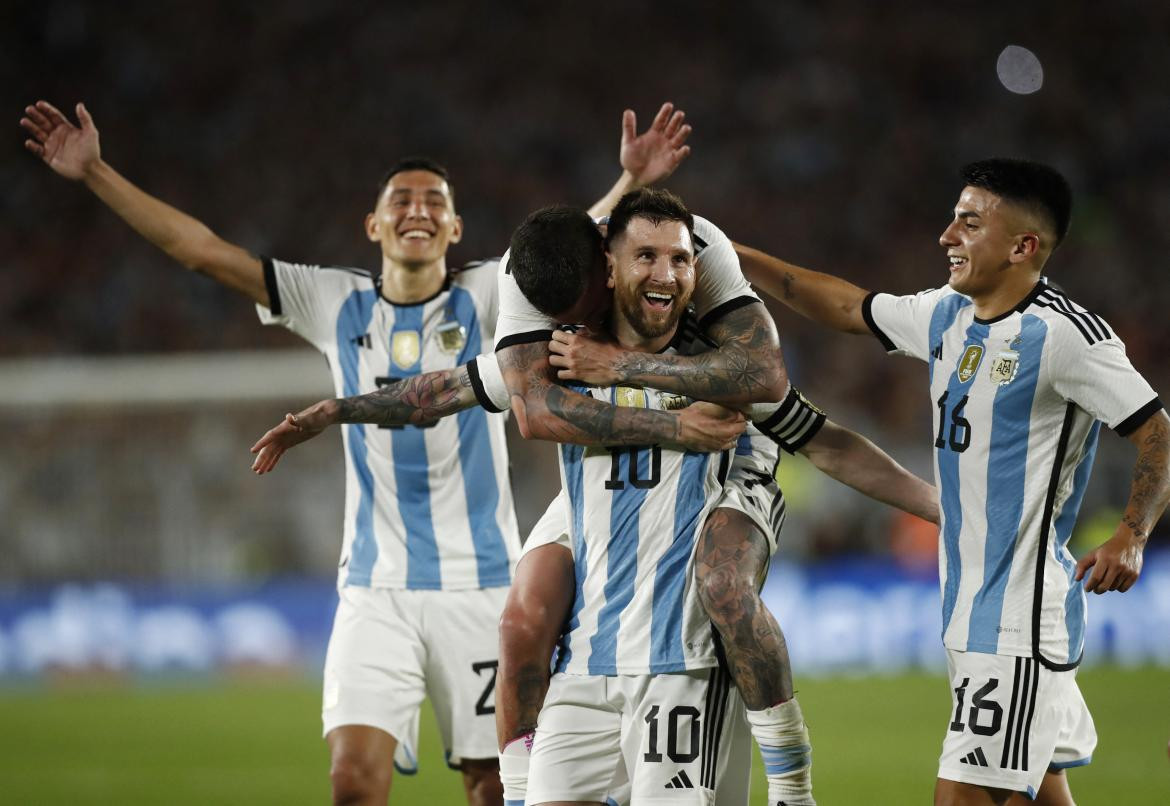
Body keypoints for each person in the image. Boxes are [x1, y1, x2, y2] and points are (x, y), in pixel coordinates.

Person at [20, 97, 695, 806]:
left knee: (493, 788)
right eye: (400, 199)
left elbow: (562, 248)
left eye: (435, 201)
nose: (418, 209)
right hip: (375, 590)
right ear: (373, 225)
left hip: (484, 582)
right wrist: (96, 172)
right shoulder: (330, 299)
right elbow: (201, 251)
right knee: (352, 783)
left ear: (455, 227)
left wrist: (627, 185)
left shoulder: (486, 293)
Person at [253, 190, 941, 805]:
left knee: (721, 582)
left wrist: (936, 505)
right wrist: (337, 411)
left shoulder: (720, 365)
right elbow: (443, 390)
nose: (662, 275)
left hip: (677, 653)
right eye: (644, 260)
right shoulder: (554, 348)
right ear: (608, 270)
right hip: (592, 659)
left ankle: (794, 788)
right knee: (525, 608)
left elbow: (817, 433)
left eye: (673, 261)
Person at [731, 158, 1170, 806]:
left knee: (960, 798)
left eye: (970, 222)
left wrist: (1132, 534)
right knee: (1035, 793)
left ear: (1024, 246)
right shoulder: (946, 314)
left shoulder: (1067, 337)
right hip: (971, 606)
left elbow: (1158, 432)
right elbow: (845, 305)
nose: (947, 235)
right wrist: (726, 254)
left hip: (1019, 615)